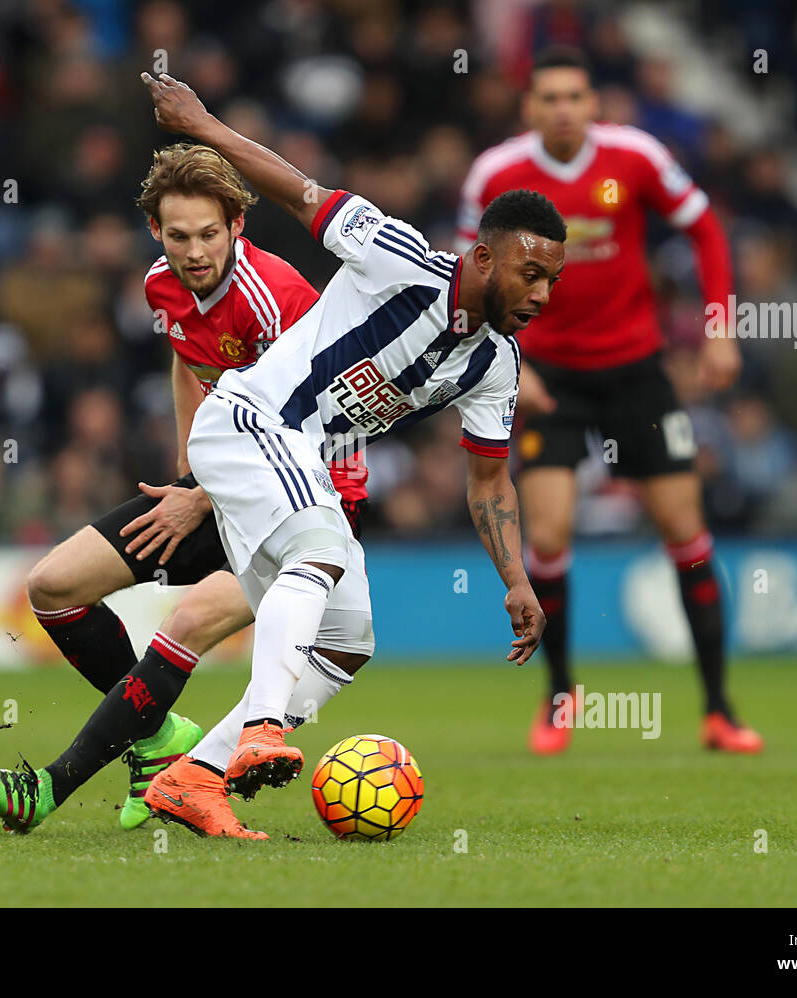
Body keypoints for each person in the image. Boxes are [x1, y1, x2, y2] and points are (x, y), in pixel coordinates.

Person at [136, 71, 557, 839]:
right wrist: (203, 125)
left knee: (347, 639)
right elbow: (300, 193)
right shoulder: (399, 257)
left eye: (552, 280)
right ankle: (264, 727)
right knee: (321, 550)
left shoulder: (495, 364)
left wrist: (517, 580)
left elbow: (488, 478)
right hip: (249, 419)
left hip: (298, 458)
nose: (541, 294)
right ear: (488, 260)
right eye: (531, 273)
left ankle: (193, 777)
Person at [0, 143, 368, 832]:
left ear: (238, 224)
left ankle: (47, 791)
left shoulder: (270, 301)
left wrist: (204, 493)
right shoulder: (161, 285)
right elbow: (190, 366)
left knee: (183, 625)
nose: (195, 251)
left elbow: (304, 423)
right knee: (53, 587)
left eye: (209, 233)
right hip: (227, 482)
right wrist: (192, 471)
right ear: (156, 231)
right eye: (178, 235)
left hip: (310, 498)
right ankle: (156, 742)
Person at [454, 46, 763, 754]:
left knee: (684, 532)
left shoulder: (638, 157)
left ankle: (719, 709)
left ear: (594, 104)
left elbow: (705, 227)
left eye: (575, 96)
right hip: (549, 373)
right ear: (529, 107)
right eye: (549, 98)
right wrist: (502, 360)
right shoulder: (496, 174)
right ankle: (560, 698)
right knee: (552, 536)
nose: (563, 109)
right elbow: (468, 268)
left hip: (634, 370)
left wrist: (720, 329)